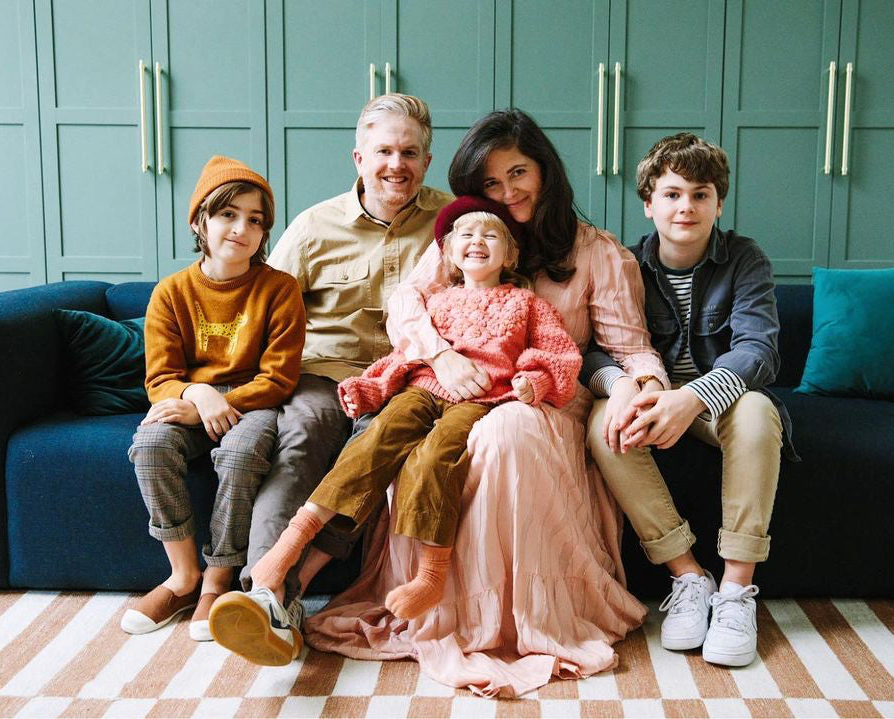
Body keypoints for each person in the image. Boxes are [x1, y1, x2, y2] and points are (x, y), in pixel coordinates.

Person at [303, 109, 669, 698]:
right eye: (491, 184)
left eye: (518, 173)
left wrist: (649, 388)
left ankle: (511, 613)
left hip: (544, 400)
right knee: (420, 426)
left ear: (546, 172)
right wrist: (442, 356)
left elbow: (630, 347)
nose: (507, 193)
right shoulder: (468, 238)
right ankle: (426, 597)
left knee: (505, 433)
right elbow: (407, 304)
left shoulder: (599, 253)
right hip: (458, 391)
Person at [210, 196, 582, 664]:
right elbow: (405, 354)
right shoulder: (435, 303)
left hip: (484, 397)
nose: (477, 243)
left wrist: (537, 381)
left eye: (491, 236)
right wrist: (371, 387)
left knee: (434, 457)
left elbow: (558, 352)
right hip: (422, 390)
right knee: (372, 443)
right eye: (465, 235)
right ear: (447, 253)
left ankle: (430, 575)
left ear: (510, 254)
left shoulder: (526, 303)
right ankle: (287, 548)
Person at [209, 94, 452, 664]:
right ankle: (265, 594)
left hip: (407, 380)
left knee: (373, 455)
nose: (397, 164)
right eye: (384, 151)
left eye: (410, 152)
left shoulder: (451, 223)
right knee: (299, 445)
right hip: (321, 374)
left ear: (427, 159)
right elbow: (263, 311)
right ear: (359, 158)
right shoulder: (315, 225)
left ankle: (278, 596)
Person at [581, 132, 797, 667]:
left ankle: (734, 591)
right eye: (673, 194)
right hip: (652, 396)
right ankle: (688, 576)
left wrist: (694, 398)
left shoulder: (745, 258)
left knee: (757, 412)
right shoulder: (622, 262)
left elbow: (759, 351)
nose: (687, 206)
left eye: (701, 194)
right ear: (648, 202)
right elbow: (588, 349)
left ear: (718, 203)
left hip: (719, 400)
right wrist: (623, 386)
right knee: (602, 426)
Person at [123, 156, 305, 641]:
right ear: (200, 220)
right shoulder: (172, 292)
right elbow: (160, 377)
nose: (241, 228)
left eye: (255, 219)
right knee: (150, 446)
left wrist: (227, 402)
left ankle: (217, 579)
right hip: (189, 401)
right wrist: (199, 394)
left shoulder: (280, 290)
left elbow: (280, 377)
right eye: (228, 214)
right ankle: (182, 578)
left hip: (255, 402)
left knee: (243, 453)